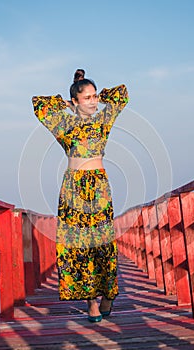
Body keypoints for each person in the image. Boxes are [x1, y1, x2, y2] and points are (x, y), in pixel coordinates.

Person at [32, 70, 129, 322]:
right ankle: (92, 303)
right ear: (75, 101)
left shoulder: (103, 120)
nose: (94, 101)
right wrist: (66, 103)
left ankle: (108, 293)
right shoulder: (63, 124)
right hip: (73, 189)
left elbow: (121, 96)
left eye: (95, 96)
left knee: (103, 243)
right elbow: (38, 104)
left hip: (99, 188)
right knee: (80, 245)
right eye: (87, 97)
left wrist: (102, 96)